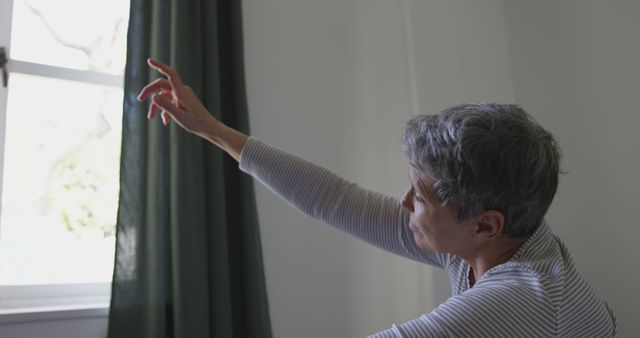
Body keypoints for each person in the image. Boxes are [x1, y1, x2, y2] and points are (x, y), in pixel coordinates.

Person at [138, 58, 618, 338]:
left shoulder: (521, 295)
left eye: (422, 196)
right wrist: (212, 129)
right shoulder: (501, 234)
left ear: (486, 224)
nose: (405, 202)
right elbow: (335, 199)